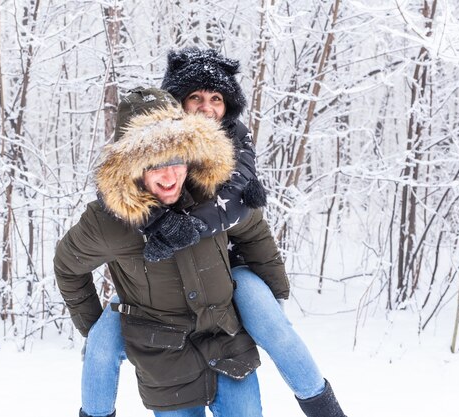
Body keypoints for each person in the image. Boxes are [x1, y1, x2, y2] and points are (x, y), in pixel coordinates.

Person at [75, 48, 348, 417]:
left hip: (229, 270)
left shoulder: (233, 142)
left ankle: (323, 407)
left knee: (272, 322)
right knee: (102, 342)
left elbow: (245, 211)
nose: (206, 108)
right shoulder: (156, 148)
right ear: (174, 105)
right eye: (195, 98)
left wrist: (190, 228)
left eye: (216, 99)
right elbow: (120, 199)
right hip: (161, 293)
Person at [55, 87, 290, 416]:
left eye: (177, 160)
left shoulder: (212, 193)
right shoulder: (108, 223)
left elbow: (252, 228)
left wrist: (276, 294)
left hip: (227, 344)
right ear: (131, 166)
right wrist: (95, 329)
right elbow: (68, 268)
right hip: (164, 363)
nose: (169, 175)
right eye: (154, 164)